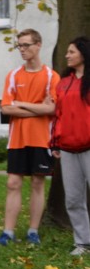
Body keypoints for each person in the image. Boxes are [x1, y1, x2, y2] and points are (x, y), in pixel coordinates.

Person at [0, 29, 59, 246]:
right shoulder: (13, 75)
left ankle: (33, 231)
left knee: (37, 183)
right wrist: (38, 108)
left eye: (26, 45)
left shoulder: (52, 76)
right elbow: (5, 109)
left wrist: (20, 104)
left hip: (42, 138)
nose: (22, 49)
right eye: (19, 46)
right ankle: (8, 231)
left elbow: (52, 109)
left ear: (38, 45)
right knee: (13, 183)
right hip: (17, 138)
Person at [50, 36, 90, 256]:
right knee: (73, 198)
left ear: (83, 54)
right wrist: (55, 141)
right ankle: (83, 243)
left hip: (89, 146)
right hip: (67, 148)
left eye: (71, 52)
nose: (67, 55)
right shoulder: (64, 82)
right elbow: (58, 115)